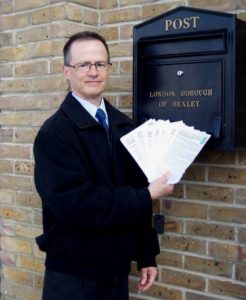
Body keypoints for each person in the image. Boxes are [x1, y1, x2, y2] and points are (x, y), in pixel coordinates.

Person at [33, 31, 174, 300]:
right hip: (74, 275)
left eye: (100, 64)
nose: (93, 72)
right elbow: (78, 204)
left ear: (109, 68)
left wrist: (146, 254)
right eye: (83, 65)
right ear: (66, 71)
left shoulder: (123, 126)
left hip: (116, 272)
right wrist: (145, 195)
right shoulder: (54, 135)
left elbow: (136, 187)